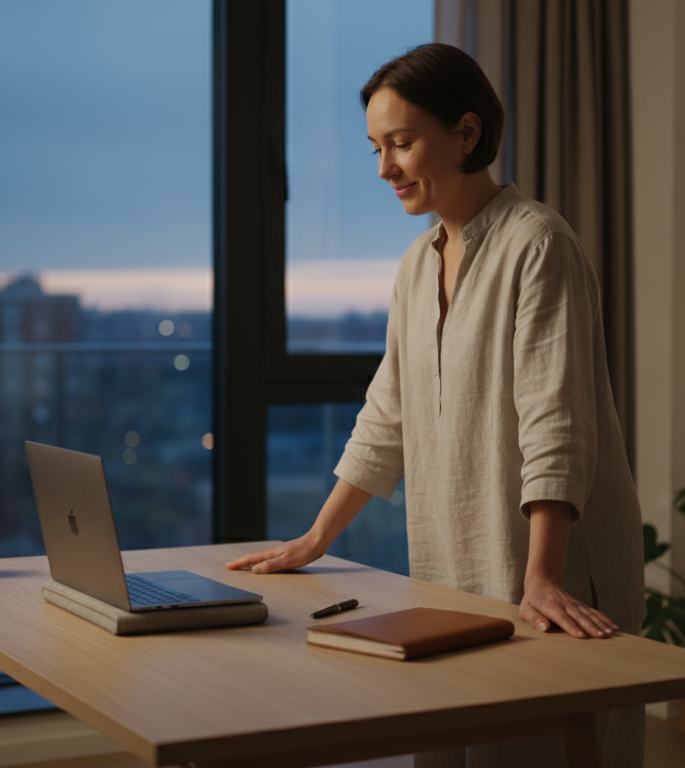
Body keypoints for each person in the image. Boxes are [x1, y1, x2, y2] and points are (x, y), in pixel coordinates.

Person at [226, 42, 645, 767]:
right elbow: (386, 415)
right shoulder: (417, 267)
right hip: (453, 566)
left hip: (552, 568)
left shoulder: (537, 244)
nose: (385, 168)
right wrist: (314, 541)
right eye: (376, 148)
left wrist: (542, 575)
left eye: (402, 143)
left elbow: (557, 420)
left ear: (467, 134)